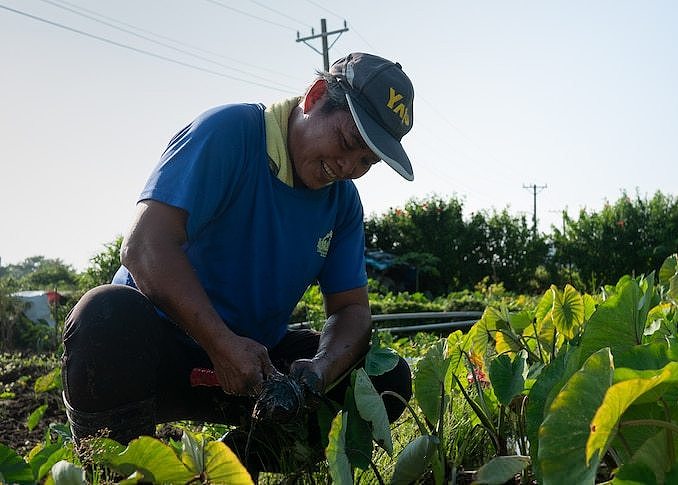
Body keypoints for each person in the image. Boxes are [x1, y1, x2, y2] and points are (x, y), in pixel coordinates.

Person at [61, 52, 415, 474]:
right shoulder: (230, 133)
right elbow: (144, 246)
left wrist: (319, 371)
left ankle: (228, 472)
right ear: (316, 97)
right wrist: (220, 342)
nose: (346, 167)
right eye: (346, 142)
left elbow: (352, 309)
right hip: (156, 351)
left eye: (365, 163)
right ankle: (119, 474)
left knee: (384, 378)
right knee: (104, 312)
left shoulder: (342, 205)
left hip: (255, 370)